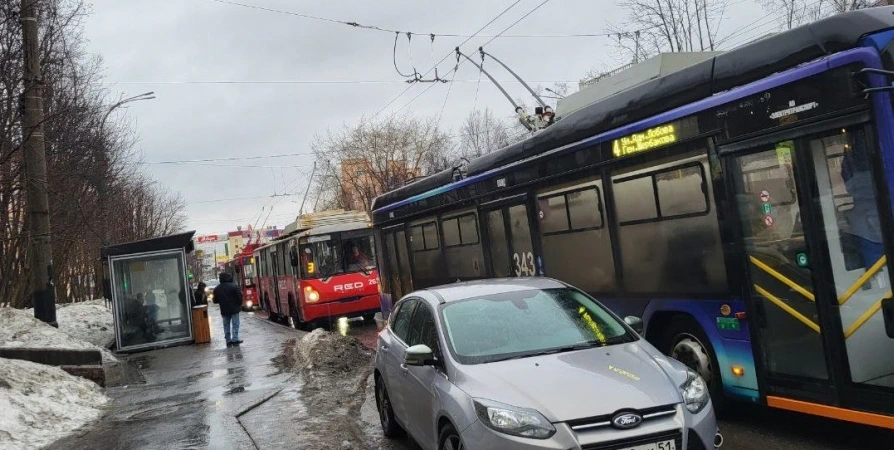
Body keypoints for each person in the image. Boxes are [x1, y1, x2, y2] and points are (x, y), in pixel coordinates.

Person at [213, 272, 243, 347]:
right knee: (235, 324)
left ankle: (228, 340)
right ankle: (235, 339)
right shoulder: (234, 286)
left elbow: (215, 301)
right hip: (235, 309)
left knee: (226, 325)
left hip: (224, 310)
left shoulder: (217, 288)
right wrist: (238, 305)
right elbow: (240, 297)